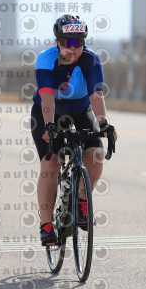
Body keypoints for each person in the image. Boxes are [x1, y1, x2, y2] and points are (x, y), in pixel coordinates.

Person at [31, 14, 117, 246]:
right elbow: (47, 96)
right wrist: (49, 126)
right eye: (67, 43)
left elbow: (96, 94)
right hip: (48, 112)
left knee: (96, 154)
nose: (73, 48)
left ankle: (81, 199)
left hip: (80, 110)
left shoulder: (90, 59)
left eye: (78, 42)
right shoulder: (46, 59)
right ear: (57, 42)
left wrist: (104, 123)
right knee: (51, 163)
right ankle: (46, 225)